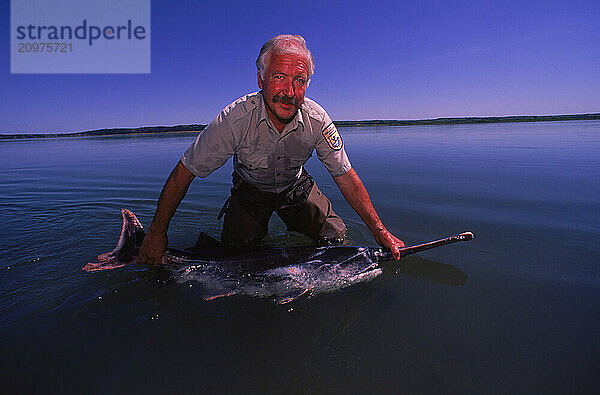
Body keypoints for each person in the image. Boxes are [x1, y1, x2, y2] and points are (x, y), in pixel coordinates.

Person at [137, 34, 404, 265]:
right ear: (261, 79)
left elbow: (346, 176)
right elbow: (185, 171)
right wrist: (157, 233)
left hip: (295, 187)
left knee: (336, 237)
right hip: (250, 190)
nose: (290, 91)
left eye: (299, 80)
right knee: (235, 256)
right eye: (279, 77)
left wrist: (379, 230)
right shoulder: (234, 119)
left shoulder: (317, 120)